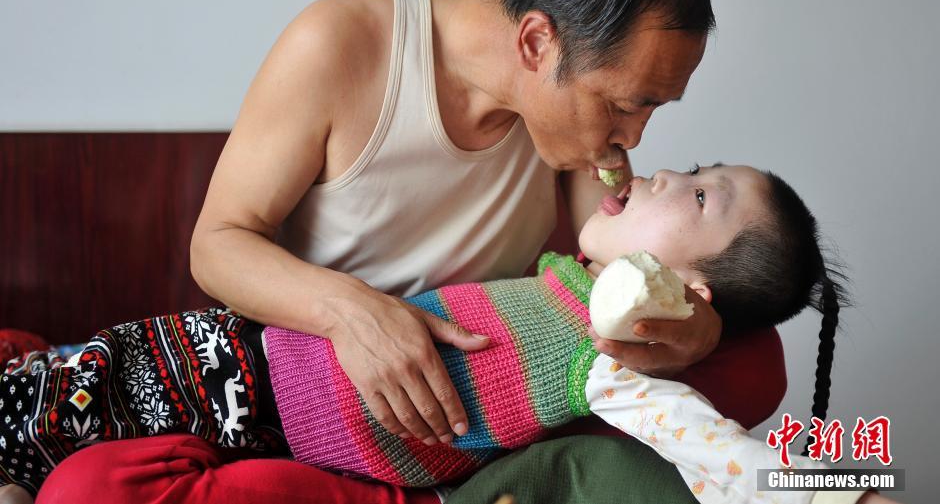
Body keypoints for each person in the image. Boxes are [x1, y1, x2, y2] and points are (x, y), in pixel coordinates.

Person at [32, 0, 788, 502]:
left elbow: (636, 264)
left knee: (754, 356)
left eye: (651, 108)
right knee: (82, 481)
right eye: (625, 104)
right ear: (536, 43)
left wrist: (694, 326)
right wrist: (353, 313)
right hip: (292, 384)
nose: (634, 138)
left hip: (443, 438)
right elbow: (217, 243)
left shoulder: (573, 134)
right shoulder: (343, 45)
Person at [0, 165, 896, 503]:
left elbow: (729, 457)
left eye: (700, 195)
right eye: (693, 167)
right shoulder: (561, 274)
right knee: (58, 383)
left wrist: (849, 493)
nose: (662, 172)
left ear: (691, 292)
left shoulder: (612, 366)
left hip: (275, 426)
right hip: (253, 345)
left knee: (74, 450)